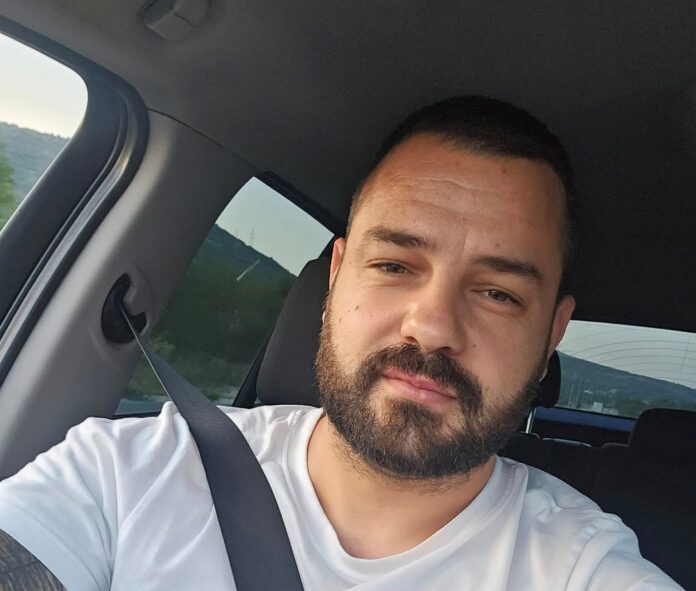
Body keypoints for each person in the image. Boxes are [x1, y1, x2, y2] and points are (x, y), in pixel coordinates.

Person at [0, 96, 682, 590]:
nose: (433, 327)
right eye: (394, 266)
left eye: (498, 294)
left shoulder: (580, 567)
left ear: (552, 333)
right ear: (336, 277)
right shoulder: (126, 473)